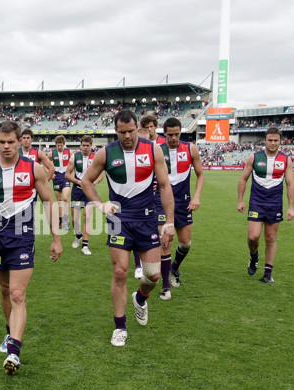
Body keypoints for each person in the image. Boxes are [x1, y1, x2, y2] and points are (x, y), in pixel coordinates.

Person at [0, 120, 62, 375]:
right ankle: (10, 334)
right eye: (2, 142)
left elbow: (49, 202)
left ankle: (14, 352)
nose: (7, 146)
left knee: (18, 294)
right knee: (5, 289)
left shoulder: (34, 168)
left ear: (21, 141)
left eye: (11, 142)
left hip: (23, 236)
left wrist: (56, 238)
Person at [81, 109, 175, 347]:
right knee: (120, 272)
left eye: (131, 131)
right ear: (116, 131)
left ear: (137, 128)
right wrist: (100, 204)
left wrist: (170, 222)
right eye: (122, 132)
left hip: (146, 220)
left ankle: (140, 298)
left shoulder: (153, 150)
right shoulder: (105, 153)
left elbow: (164, 187)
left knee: (153, 275)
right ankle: (120, 327)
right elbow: (86, 181)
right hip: (119, 220)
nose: (127, 136)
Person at [154, 117, 204, 300]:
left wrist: (196, 196)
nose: (174, 138)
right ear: (164, 133)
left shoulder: (191, 149)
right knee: (165, 242)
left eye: (177, 134)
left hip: (184, 203)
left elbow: (200, 175)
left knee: (185, 243)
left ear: (181, 132)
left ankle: (175, 266)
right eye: (170, 134)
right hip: (162, 202)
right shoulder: (158, 150)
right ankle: (166, 286)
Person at [237, 126, 294, 283]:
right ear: (265, 140)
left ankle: (268, 273)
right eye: (270, 140)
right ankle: (254, 256)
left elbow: (290, 183)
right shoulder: (254, 157)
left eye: (276, 140)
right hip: (257, 201)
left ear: (280, 141)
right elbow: (243, 179)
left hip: (274, 203)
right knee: (253, 236)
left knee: (270, 238)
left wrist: (291, 207)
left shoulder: (286, 159)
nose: (273, 143)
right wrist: (240, 200)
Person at [138, 115, 168, 280]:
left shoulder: (163, 144)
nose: (149, 129)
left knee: (160, 231)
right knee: (141, 228)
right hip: (143, 193)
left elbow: (168, 166)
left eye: (151, 126)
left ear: (155, 127)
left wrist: (160, 180)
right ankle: (143, 264)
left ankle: (157, 269)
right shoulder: (140, 143)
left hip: (160, 193)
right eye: (146, 127)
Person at [65, 135, 103, 255]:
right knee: (75, 219)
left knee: (87, 216)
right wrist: (79, 182)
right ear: (80, 145)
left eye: (88, 145)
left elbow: (101, 174)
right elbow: (67, 174)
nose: (85, 147)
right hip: (77, 191)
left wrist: (94, 183)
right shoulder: (75, 157)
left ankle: (85, 245)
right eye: (83, 145)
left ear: (91, 146)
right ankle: (78, 236)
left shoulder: (96, 157)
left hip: (89, 192)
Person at [49, 135, 72, 229]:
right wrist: (50, 174)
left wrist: (72, 173)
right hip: (57, 178)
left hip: (66, 176)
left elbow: (74, 163)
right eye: (58, 145)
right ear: (55, 145)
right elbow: (46, 164)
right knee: (59, 201)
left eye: (61, 145)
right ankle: (61, 221)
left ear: (64, 144)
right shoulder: (51, 153)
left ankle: (66, 221)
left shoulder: (70, 152)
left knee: (65, 198)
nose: (59, 147)